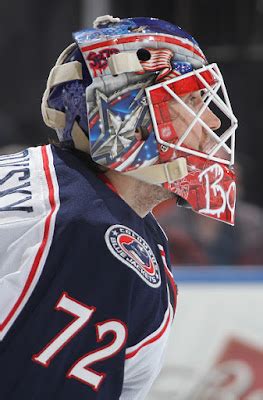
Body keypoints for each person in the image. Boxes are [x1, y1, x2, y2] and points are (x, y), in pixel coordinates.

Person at [0, 15, 238, 399]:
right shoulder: (64, 223)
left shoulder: (143, 242)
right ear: (128, 117)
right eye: (191, 99)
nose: (211, 119)